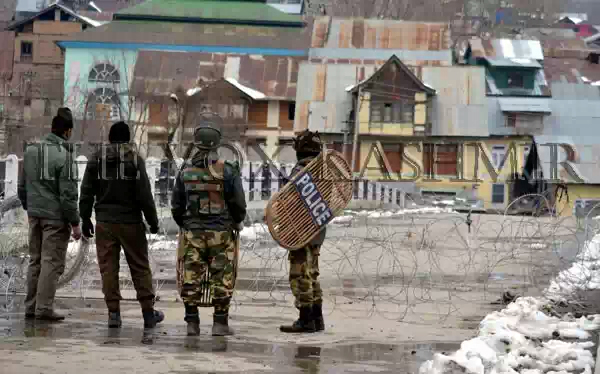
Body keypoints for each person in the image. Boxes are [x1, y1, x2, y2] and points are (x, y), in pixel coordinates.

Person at [79, 121, 164, 329]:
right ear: (128, 139)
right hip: (131, 223)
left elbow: (87, 191)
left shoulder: (96, 159)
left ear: (109, 138)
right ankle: (147, 313)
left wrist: (85, 218)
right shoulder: (134, 160)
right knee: (140, 267)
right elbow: (144, 195)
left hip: (105, 223)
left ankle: (114, 314)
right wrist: (153, 222)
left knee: (108, 269)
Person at [171, 116, 246, 337]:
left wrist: (186, 223)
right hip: (221, 232)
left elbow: (176, 205)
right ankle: (220, 323)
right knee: (222, 276)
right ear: (217, 143)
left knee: (191, 275)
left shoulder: (185, 171)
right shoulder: (228, 170)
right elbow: (238, 204)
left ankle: (192, 323)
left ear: (196, 143)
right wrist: (235, 222)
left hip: (193, 232)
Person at [17, 107, 82, 321]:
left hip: (35, 214)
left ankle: (31, 306)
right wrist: (74, 223)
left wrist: (30, 208)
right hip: (55, 218)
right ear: (67, 132)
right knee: (51, 262)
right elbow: (68, 195)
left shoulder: (31, 151)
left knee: (35, 260)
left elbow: (22, 187)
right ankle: (44, 308)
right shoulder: (65, 156)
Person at [280, 130, 326, 334]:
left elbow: (288, 200)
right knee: (312, 273)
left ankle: (305, 320)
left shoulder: (302, 169)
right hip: (317, 229)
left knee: (300, 276)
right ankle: (317, 318)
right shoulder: (324, 171)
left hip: (300, 230)